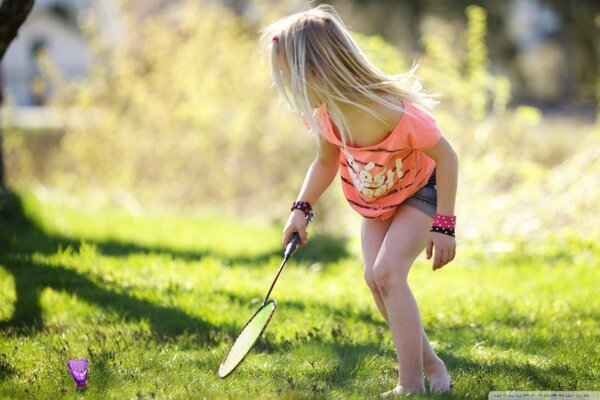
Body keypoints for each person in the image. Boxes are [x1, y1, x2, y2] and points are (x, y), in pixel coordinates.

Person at [261, 4, 458, 397]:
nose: (291, 87)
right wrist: (300, 209)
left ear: (317, 70)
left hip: (421, 192)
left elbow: (447, 158)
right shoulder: (326, 115)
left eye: (291, 76)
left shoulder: (394, 112)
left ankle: (411, 384)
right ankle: (434, 369)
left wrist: (445, 225)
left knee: (388, 273)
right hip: (375, 202)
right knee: (375, 279)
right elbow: (324, 161)